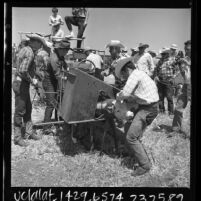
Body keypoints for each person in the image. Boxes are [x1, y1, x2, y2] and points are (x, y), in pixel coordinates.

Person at [115, 57, 159, 176]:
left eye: (123, 73)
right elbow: (134, 95)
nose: (123, 76)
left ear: (128, 69)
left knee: (131, 137)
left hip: (148, 109)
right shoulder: (140, 74)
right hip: (147, 106)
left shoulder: (135, 75)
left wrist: (118, 97)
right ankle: (133, 153)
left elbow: (125, 93)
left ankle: (145, 165)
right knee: (128, 127)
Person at [26, 34, 59, 134]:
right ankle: (43, 127)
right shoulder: (44, 54)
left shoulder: (37, 53)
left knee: (36, 103)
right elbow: (45, 69)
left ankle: (31, 126)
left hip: (36, 79)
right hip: (41, 79)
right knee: (48, 103)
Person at [13, 37, 42, 147]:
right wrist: (32, 80)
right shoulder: (30, 52)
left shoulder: (24, 49)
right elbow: (23, 70)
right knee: (20, 110)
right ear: (34, 42)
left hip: (19, 82)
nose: (41, 45)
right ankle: (17, 137)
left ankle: (29, 132)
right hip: (21, 83)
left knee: (28, 108)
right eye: (40, 42)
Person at [171, 40, 191, 135]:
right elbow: (184, 74)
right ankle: (175, 129)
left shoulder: (187, 59)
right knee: (178, 107)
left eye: (187, 49)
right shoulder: (186, 58)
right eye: (185, 49)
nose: (185, 51)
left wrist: (187, 63)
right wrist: (181, 67)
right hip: (186, 85)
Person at [154, 48, 176, 116]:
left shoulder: (172, 60)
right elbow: (156, 69)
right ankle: (161, 111)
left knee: (169, 97)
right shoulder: (160, 61)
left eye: (163, 54)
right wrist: (156, 76)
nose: (162, 55)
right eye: (162, 54)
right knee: (160, 97)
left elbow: (177, 69)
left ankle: (171, 112)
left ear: (167, 54)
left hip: (168, 81)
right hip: (160, 81)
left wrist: (173, 77)